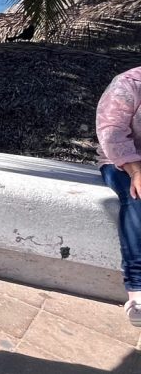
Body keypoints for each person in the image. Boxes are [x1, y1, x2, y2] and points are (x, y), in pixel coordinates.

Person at [95, 68, 141, 327]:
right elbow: (111, 132)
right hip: (121, 161)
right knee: (137, 197)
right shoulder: (128, 84)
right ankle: (137, 290)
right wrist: (136, 170)